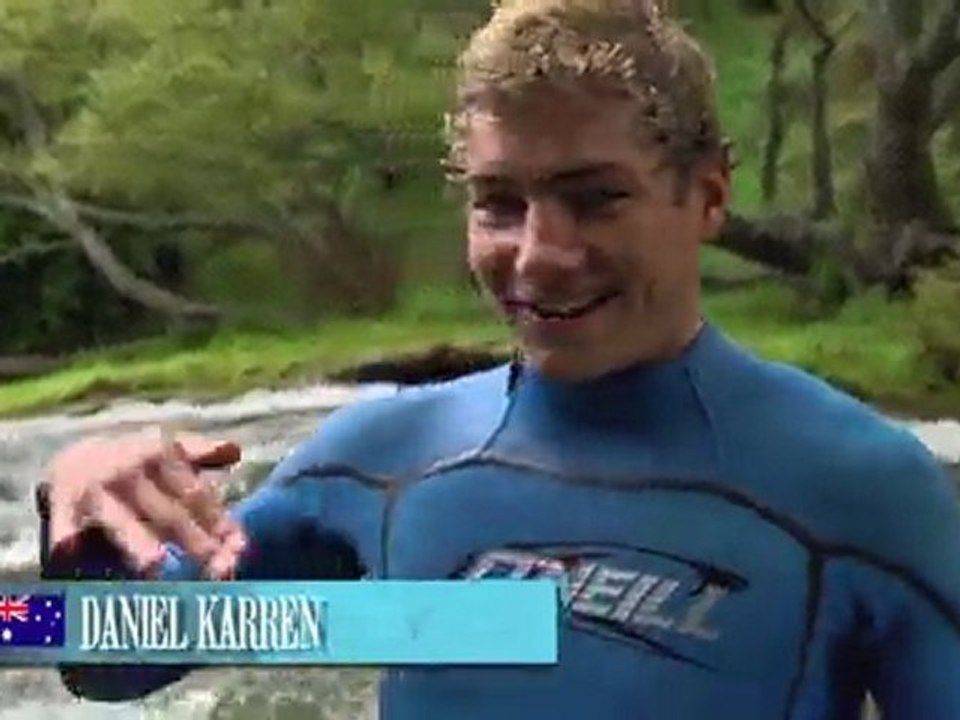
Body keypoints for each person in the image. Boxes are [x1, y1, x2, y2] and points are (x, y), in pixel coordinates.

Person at [36, 0, 960, 718]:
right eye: (499, 203)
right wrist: (77, 504)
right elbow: (102, 660)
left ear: (708, 196)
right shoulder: (381, 461)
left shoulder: (866, 490)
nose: (538, 253)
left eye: (595, 198)